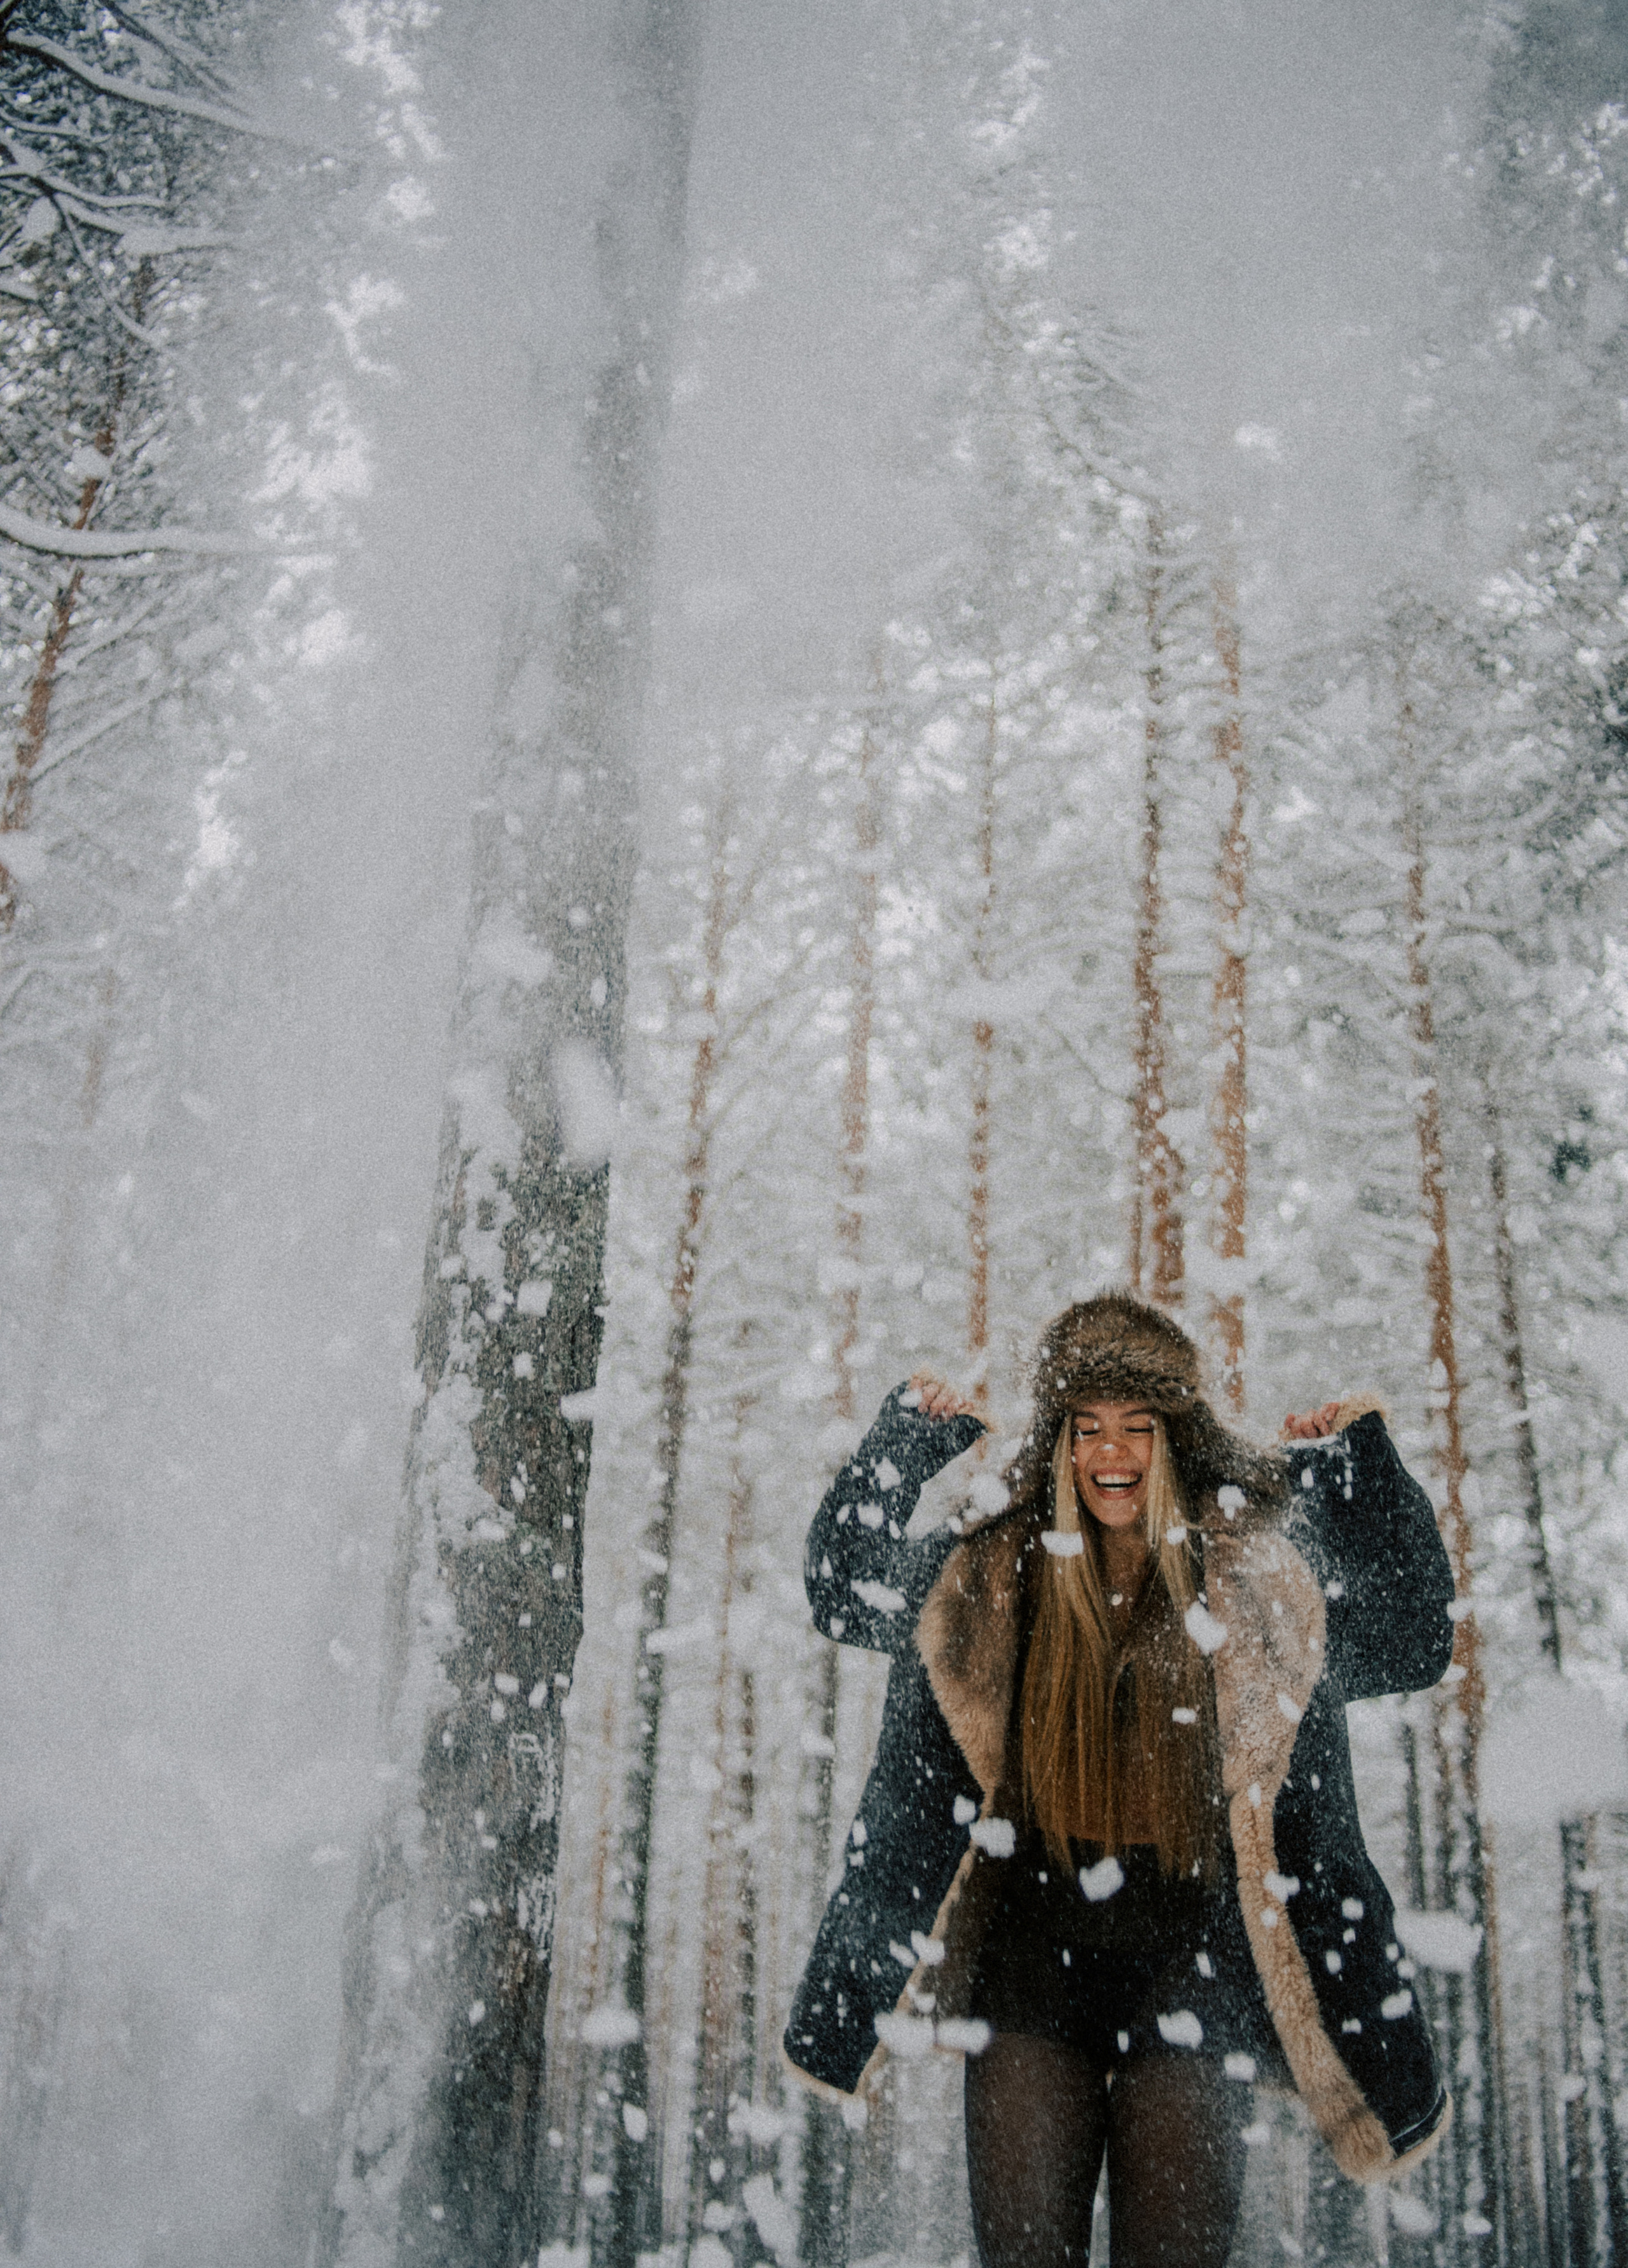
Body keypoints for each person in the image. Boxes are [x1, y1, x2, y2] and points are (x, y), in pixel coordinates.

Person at [783, 1291, 1454, 2268]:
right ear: (1059, 1443)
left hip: (1193, 1964)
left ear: (1175, 1440)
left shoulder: (1256, 1585)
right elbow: (844, 1585)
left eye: (1138, 1427)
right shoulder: (990, 1573)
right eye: (1088, 1427)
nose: (1112, 1452)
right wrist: (906, 1441)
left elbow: (1412, 1636)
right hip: (1032, 1959)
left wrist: (1360, 1472)